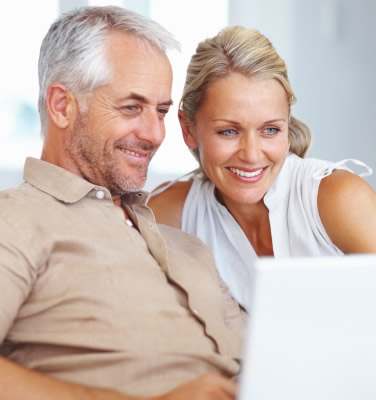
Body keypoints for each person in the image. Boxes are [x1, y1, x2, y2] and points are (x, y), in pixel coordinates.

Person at [0, 6, 247, 400]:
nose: (154, 134)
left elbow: (271, 360)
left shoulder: (187, 247)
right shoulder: (14, 221)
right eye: (131, 107)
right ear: (62, 106)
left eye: (162, 111)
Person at [148, 26, 376, 309]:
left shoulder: (338, 198)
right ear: (188, 129)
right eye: (229, 132)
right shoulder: (170, 213)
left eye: (270, 130)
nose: (253, 155)